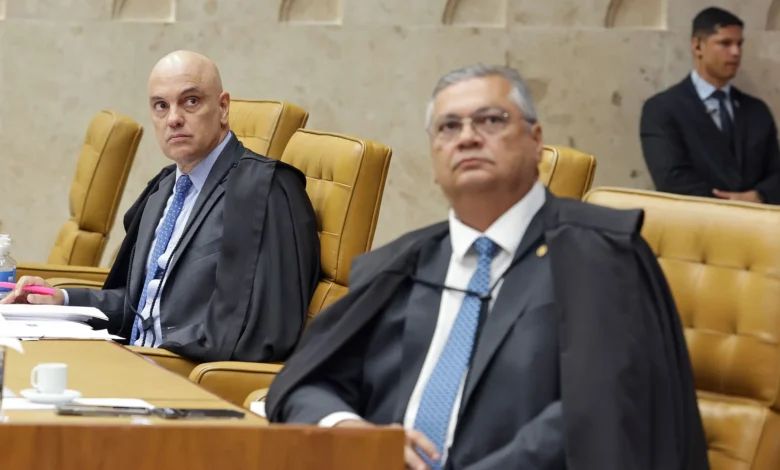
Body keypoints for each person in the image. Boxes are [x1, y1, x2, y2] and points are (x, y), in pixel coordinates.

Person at [265, 64, 709, 470]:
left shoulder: (600, 253)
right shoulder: (400, 266)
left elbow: (600, 414)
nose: (468, 137)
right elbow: (305, 384)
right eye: (448, 126)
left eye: (491, 120)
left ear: (536, 141)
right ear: (434, 160)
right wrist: (351, 432)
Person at [2, 51, 321, 363]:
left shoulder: (263, 189)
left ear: (223, 107)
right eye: (161, 106)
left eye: (191, 101)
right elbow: (138, 308)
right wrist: (62, 300)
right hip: (131, 361)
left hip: (180, 376)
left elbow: (261, 330)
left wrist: (151, 354)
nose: (174, 119)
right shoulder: (164, 188)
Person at [640, 7, 780, 204]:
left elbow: (776, 173)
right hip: (695, 220)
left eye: (739, 44)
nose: (736, 52)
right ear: (698, 46)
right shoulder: (662, 109)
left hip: (758, 220)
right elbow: (671, 178)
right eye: (725, 43)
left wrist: (758, 196)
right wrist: (729, 204)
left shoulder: (757, 111)